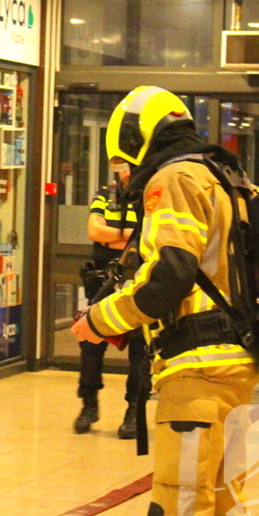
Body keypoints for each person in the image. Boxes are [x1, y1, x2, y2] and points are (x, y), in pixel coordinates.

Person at [71, 85, 259, 516]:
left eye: (124, 159)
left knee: (178, 513)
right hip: (237, 367)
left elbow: (170, 276)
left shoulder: (174, 179)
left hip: (197, 372)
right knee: (223, 510)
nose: (126, 172)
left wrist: (98, 319)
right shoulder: (224, 175)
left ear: (138, 137)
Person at [74, 166, 150, 439]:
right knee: (90, 345)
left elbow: (145, 239)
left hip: (140, 283)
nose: (127, 172)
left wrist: (117, 236)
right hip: (103, 283)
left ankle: (133, 412)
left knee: (141, 352)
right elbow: (95, 231)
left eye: (131, 166)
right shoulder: (106, 195)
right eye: (122, 167)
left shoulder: (151, 196)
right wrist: (126, 236)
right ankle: (89, 405)